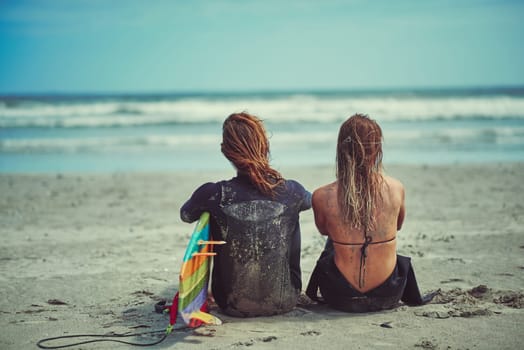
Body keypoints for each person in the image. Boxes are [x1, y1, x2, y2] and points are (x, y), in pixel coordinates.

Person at [180, 112, 312, 317]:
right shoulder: (292, 190)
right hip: (285, 300)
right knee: (291, 213)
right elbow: (312, 201)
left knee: (214, 216)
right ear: (265, 146)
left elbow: (186, 215)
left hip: (231, 304)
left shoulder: (213, 194)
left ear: (226, 152)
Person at [306, 113, 436, 312]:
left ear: (341, 150)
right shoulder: (395, 188)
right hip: (388, 294)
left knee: (333, 241)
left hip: (341, 296)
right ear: (377, 149)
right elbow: (398, 226)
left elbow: (325, 231)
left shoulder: (322, 196)